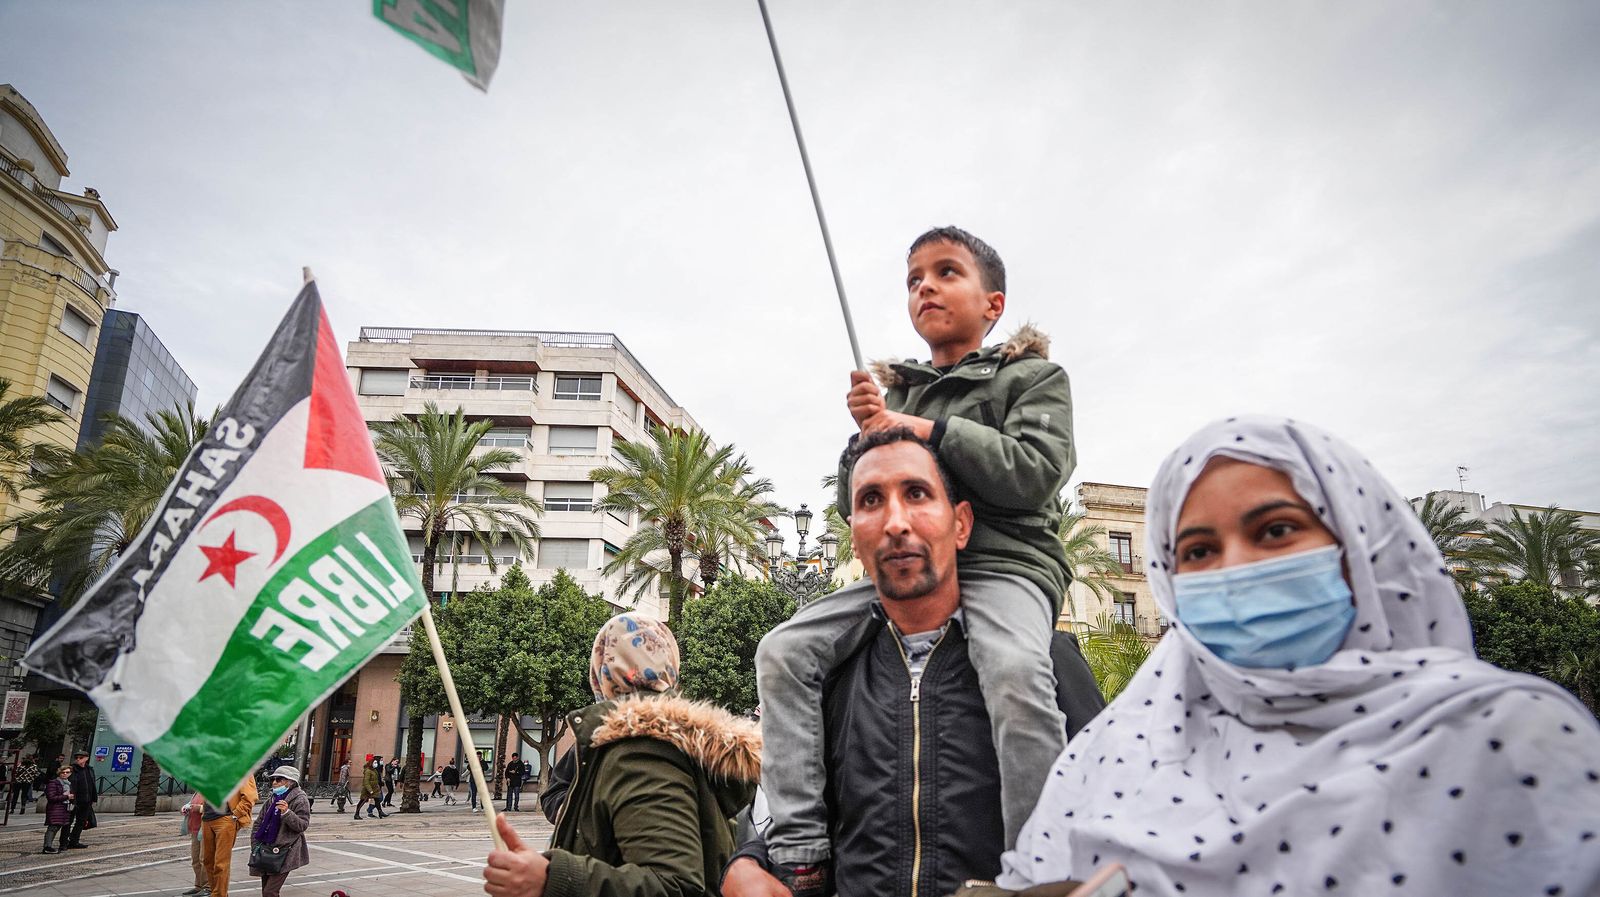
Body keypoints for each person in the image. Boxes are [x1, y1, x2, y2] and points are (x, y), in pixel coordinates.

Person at [995, 416, 1600, 896]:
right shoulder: (1112, 750)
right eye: (1199, 551)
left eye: (1276, 531)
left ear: (1359, 546)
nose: (1234, 569)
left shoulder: (1509, 737)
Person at [757, 226, 1079, 893]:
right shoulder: (898, 395)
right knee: (782, 650)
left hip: (1008, 566)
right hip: (910, 573)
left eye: (945, 272)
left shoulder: (1033, 379)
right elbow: (857, 494)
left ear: (993, 304)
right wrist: (865, 436)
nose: (925, 286)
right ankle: (799, 849)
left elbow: (1036, 472)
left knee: (1017, 671)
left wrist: (923, 430)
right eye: (913, 279)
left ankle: (1040, 869)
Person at [726, 429, 1105, 897]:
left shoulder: (1043, 660)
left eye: (917, 494)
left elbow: (1115, 822)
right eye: (871, 500)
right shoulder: (828, 677)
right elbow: (799, 820)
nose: (895, 522)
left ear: (961, 524)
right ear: (854, 537)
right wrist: (748, 862)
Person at [482, 612, 761, 897]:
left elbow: (673, 884)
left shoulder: (641, 750)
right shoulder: (674, 742)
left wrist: (552, 878)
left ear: (601, 672)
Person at [250, 766, 311, 897]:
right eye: (273, 779)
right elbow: (258, 823)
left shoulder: (300, 799)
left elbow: (302, 825)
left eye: (279, 779)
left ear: (291, 782)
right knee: (266, 890)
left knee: (270, 891)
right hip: (266, 849)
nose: (274, 782)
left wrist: (287, 813)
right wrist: (254, 845)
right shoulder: (272, 799)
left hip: (286, 850)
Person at [200, 775, 257, 897]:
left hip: (225, 819)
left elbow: (250, 796)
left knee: (221, 862)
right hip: (207, 818)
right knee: (207, 861)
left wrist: (235, 815)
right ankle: (215, 892)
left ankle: (219, 894)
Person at [62, 750, 97, 849]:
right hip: (74, 800)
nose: (78, 759)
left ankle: (74, 841)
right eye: (77, 758)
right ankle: (63, 843)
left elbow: (92, 784)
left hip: (86, 800)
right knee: (68, 822)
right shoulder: (72, 770)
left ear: (86, 758)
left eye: (81, 758)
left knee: (81, 822)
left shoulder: (89, 769)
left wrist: (93, 798)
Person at [179, 790, 210, 895]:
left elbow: (215, 808)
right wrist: (185, 808)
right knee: (195, 860)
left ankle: (207, 887)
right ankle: (199, 886)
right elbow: (191, 804)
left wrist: (198, 808)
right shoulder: (198, 792)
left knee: (204, 859)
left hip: (205, 830)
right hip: (195, 830)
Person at [41, 765, 72, 854]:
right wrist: (66, 796)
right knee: (53, 827)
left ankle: (48, 846)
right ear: (59, 773)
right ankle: (47, 847)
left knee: (56, 827)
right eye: (63, 772)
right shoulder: (54, 783)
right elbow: (51, 797)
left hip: (64, 808)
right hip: (55, 808)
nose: (65, 774)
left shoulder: (68, 784)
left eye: (67, 772)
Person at [353, 755, 387, 819]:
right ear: (371, 763)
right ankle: (356, 814)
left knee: (377, 801)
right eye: (375, 763)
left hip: (375, 789)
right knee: (362, 801)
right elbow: (366, 781)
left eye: (376, 763)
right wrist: (370, 790)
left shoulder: (374, 770)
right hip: (368, 789)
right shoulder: (368, 771)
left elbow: (376, 779)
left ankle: (380, 813)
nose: (376, 764)